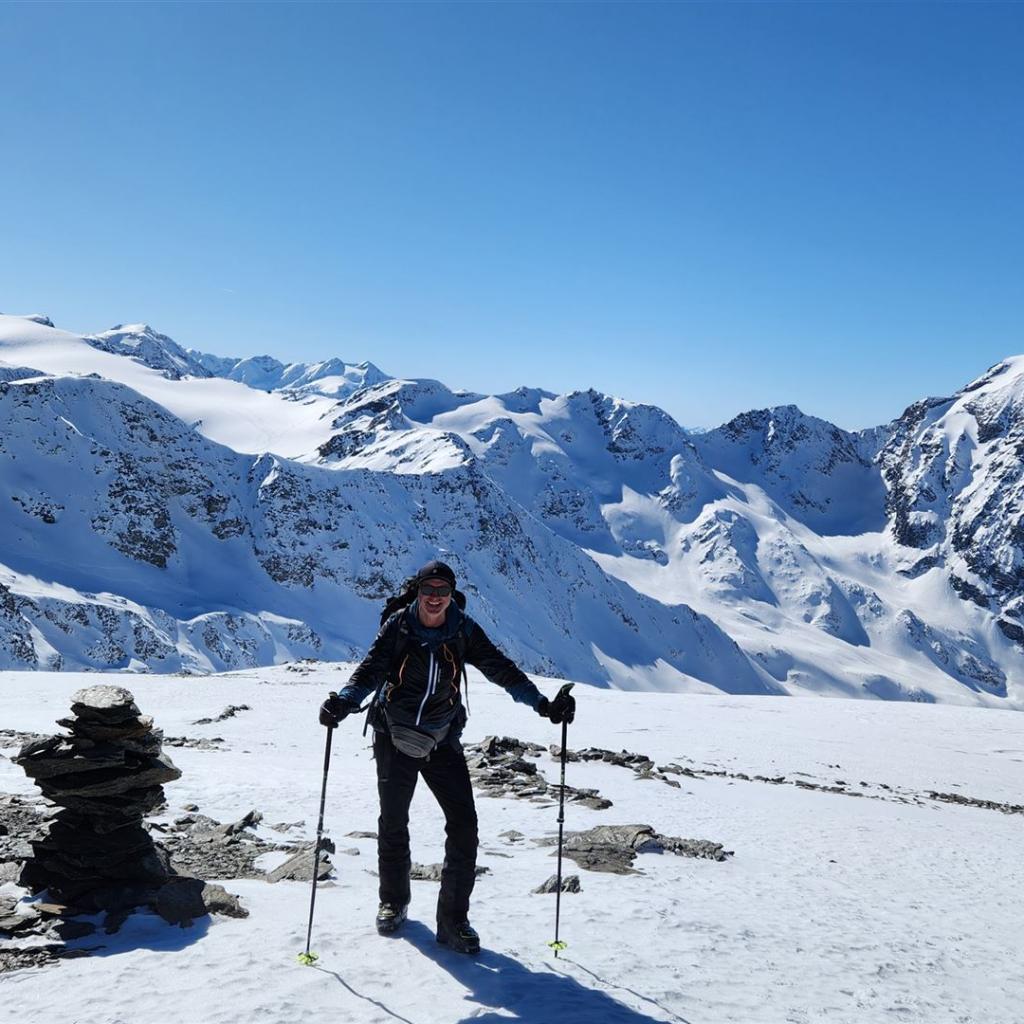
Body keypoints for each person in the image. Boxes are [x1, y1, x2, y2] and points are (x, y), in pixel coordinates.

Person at [318, 559, 576, 955]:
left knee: (464, 826)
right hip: (393, 734)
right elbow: (370, 670)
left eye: (442, 591)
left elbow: (502, 671)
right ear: (418, 592)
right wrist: (345, 702)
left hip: (442, 739)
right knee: (393, 822)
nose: (435, 598)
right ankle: (394, 901)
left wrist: (544, 706)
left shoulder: (463, 630)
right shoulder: (399, 627)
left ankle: (453, 921)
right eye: (429, 591)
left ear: (451, 595)